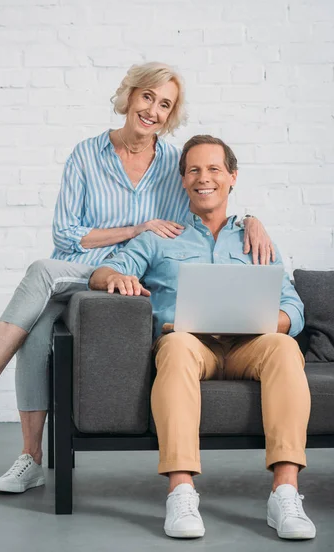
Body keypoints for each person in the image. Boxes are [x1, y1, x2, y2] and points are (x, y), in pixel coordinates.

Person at [0, 63, 273, 495]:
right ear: (129, 97)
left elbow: (206, 194)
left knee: (39, 293)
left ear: (170, 116)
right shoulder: (86, 155)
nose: (152, 110)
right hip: (75, 274)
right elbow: (66, 234)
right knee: (38, 322)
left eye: (164, 104)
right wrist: (136, 228)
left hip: (131, 274)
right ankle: (29, 458)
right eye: (147, 97)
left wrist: (250, 220)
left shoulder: (173, 163)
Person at [89, 134, 315, 541]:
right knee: (174, 346)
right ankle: (181, 491)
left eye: (213, 169)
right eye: (193, 169)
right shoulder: (160, 237)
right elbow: (102, 271)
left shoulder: (256, 239)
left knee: (284, 347)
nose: (203, 177)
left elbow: (292, 306)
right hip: (189, 344)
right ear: (183, 180)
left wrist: (270, 322)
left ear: (232, 177)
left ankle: (285, 493)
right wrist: (117, 276)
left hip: (250, 344)